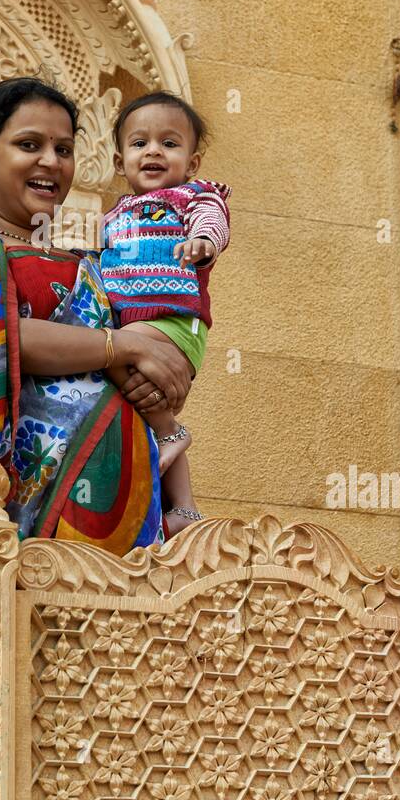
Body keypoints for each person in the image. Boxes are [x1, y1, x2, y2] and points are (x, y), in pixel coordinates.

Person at [0, 77, 195, 555]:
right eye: (29, 145)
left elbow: (147, 357)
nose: (50, 162)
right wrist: (125, 346)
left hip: (131, 512)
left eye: (63, 148)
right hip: (15, 518)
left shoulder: (96, 265)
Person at [99, 91, 231, 537]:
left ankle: (171, 431)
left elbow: (214, 221)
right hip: (136, 325)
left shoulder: (193, 195)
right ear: (120, 162)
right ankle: (186, 507)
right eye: (140, 144)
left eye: (169, 144)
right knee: (129, 380)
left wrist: (204, 243)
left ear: (191, 163)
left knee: (110, 352)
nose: (153, 150)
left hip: (175, 319)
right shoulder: (112, 216)